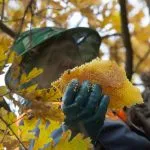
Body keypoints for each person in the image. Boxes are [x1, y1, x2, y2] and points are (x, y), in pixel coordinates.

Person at [5, 27, 150, 150]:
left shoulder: (109, 104)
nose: (68, 61)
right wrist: (75, 135)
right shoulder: (32, 124)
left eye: (71, 52)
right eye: (52, 59)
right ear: (32, 81)